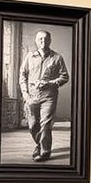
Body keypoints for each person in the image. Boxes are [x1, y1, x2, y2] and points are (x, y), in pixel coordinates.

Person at [18, 28, 69, 163]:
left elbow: (65, 77)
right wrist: (25, 94)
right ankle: (40, 145)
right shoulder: (29, 57)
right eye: (40, 39)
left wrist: (50, 83)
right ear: (36, 41)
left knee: (45, 124)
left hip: (49, 96)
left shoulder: (57, 57)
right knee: (33, 125)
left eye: (46, 39)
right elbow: (22, 76)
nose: (43, 41)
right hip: (31, 96)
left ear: (50, 41)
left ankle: (45, 152)